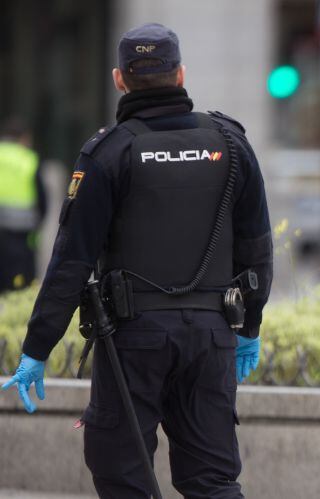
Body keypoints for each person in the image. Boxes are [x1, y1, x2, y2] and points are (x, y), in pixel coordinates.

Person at [1, 23, 273, 498]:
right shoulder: (231, 144)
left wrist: (37, 349)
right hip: (212, 338)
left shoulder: (109, 152)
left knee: (123, 474)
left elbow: (71, 262)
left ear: (118, 79)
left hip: (134, 340)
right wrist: (250, 327)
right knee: (213, 479)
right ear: (181, 74)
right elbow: (257, 247)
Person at [0, 117, 47, 292]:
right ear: (24, 138)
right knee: (20, 289)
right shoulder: (29, 159)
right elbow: (43, 202)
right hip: (22, 237)